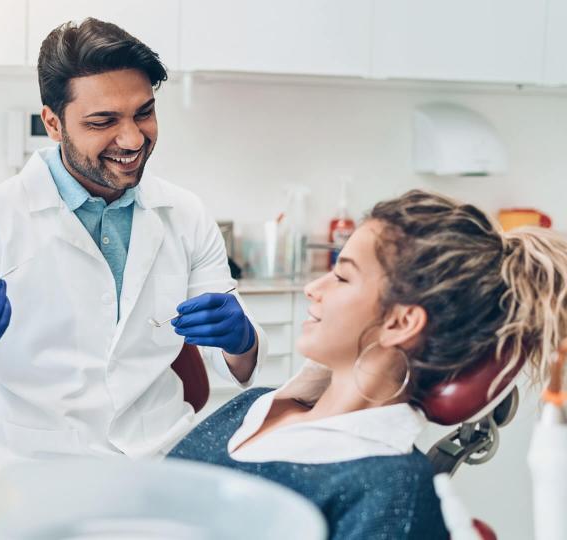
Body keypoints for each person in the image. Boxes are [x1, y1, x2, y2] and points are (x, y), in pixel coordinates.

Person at [0, 18, 267, 459]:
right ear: (54, 124)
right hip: (42, 467)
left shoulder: (185, 213)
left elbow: (241, 367)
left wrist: (240, 339)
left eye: (144, 113)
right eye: (103, 121)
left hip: (163, 457)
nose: (134, 138)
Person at [169, 190, 567, 539]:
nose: (313, 288)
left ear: (401, 322)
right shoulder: (251, 407)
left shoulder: (391, 487)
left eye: (342, 277)